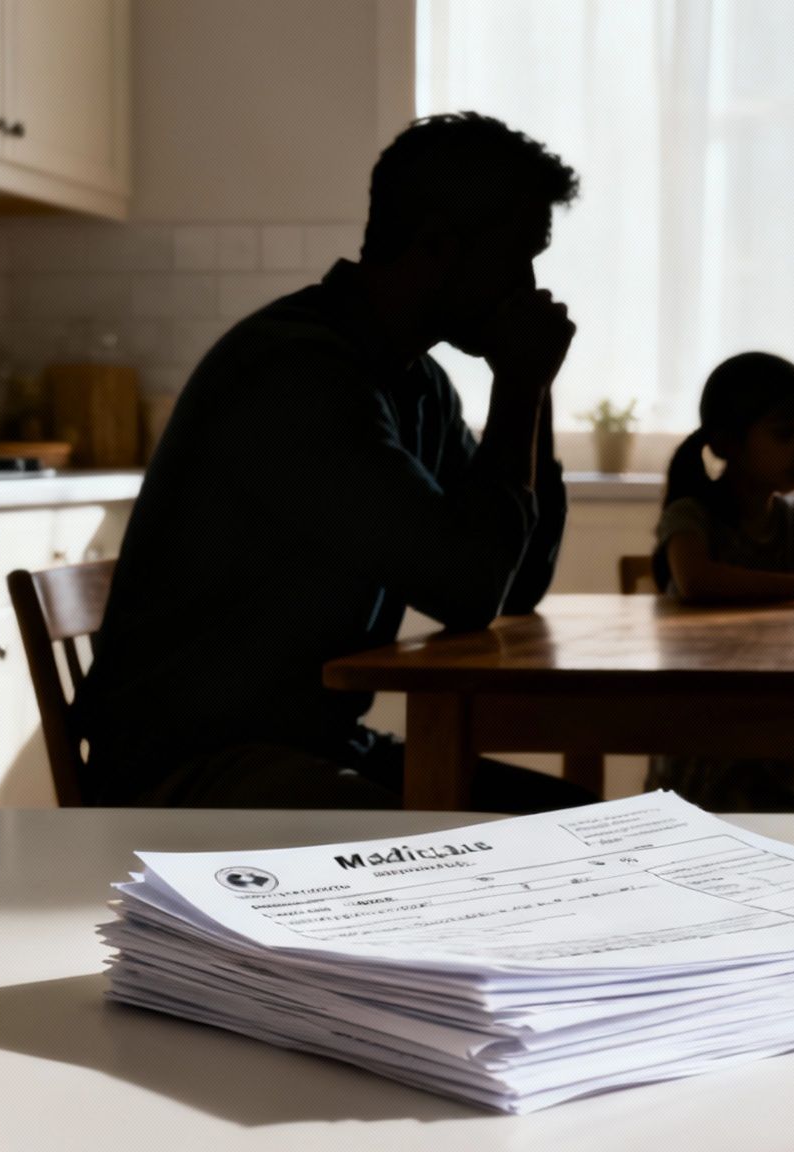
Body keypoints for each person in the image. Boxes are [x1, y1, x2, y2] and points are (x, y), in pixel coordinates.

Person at [73, 113, 594, 812]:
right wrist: (520, 383)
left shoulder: (416, 384)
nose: (530, 288)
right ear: (435, 244)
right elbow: (470, 587)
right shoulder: (295, 375)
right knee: (493, 855)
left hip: (314, 750)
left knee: (581, 829)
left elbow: (513, 581)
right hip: (191, 772)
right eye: (516, 257)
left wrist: (535, 391)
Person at [645, 351, 794, 811]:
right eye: (786, 434)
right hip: (703, 726)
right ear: (729, 442)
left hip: (783, 718)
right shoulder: (692, 515)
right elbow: (698, 582)